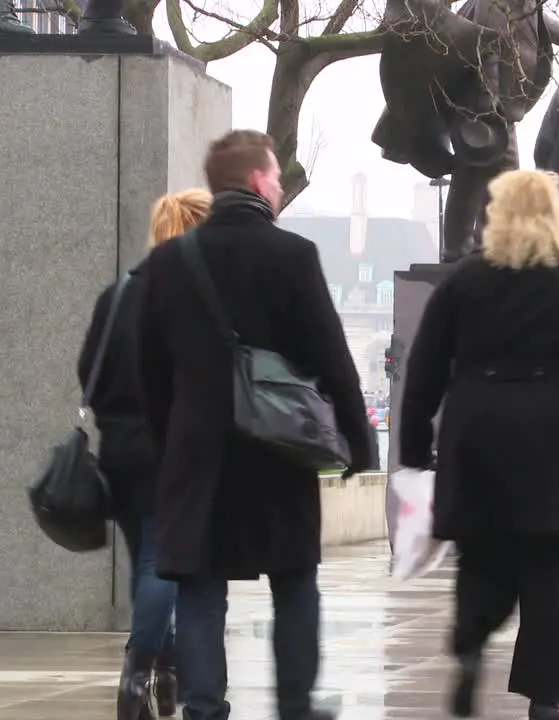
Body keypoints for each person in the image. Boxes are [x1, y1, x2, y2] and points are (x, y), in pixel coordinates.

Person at [137, 130, 374, 720]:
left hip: (198, 449)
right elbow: (333, 357)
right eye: (275, 176)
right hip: (278, 447)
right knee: (294, 580)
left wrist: (169, 438)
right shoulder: (292, 256)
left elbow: (148, 365)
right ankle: (295, 704)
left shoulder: (170, 263)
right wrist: (358, 442)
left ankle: (203, 706)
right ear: (255, 182)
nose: (279, 184)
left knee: (199, 586)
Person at [399, 169, 559, 720]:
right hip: (555, 438)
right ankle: (545, 697)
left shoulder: (464, 282)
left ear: (495, 216)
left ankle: (472, 641)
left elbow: (425, 369)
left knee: (482, 556)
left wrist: (414, 452)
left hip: (477, 433)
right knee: (553, 573)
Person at [78, 188, 210, 720]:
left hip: (120, 453)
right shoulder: (192, 294)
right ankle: (138, 672)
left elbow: (89, 367)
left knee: (146, 561)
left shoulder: (121, 292)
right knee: (163, 560)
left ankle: (168, 661)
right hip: (170, 448)